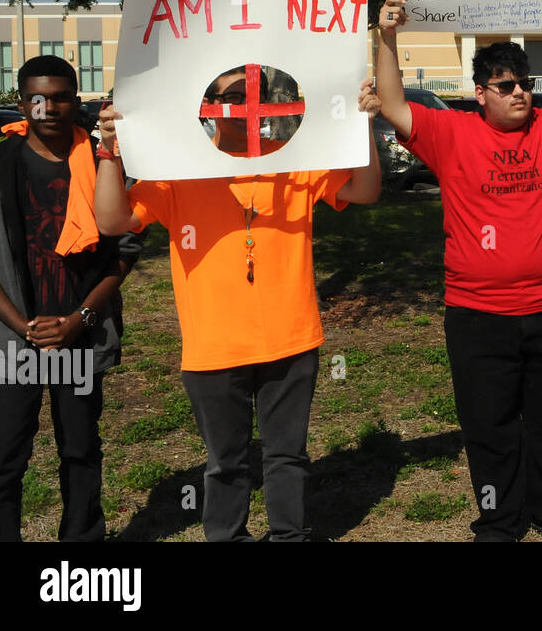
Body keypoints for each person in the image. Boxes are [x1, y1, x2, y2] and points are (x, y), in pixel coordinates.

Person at [94, 68, 382, 541]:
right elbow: (112, 220)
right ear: (208, 105)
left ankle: (289, 535)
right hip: (214, 345)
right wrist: (110, 149)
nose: (248, 104)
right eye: (233, 96)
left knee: (287, 455)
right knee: (225, 462)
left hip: (291, 338)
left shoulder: (296, 161)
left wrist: (363, 127)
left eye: (257, 94)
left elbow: (365, 190)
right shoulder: (179, 168)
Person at [374, 0, 542, 542]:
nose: (520, 94)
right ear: (480, 93)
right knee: (490, 429)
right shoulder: (452, 133)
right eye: (506, 86)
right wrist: (386, 37)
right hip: (478, 315)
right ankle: (499, 519)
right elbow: (392, 106)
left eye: (525, 84)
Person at [0, 56, 135, 542]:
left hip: (78, 334)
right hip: (12, 341)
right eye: (37, 97)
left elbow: (122, 254)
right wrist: (23, 326)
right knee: (3, 458)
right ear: (21, 102)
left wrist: (79, 318)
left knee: (79, 450)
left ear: (78, 100)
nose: (48, 107)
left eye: (60, 97)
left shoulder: (104, 164)